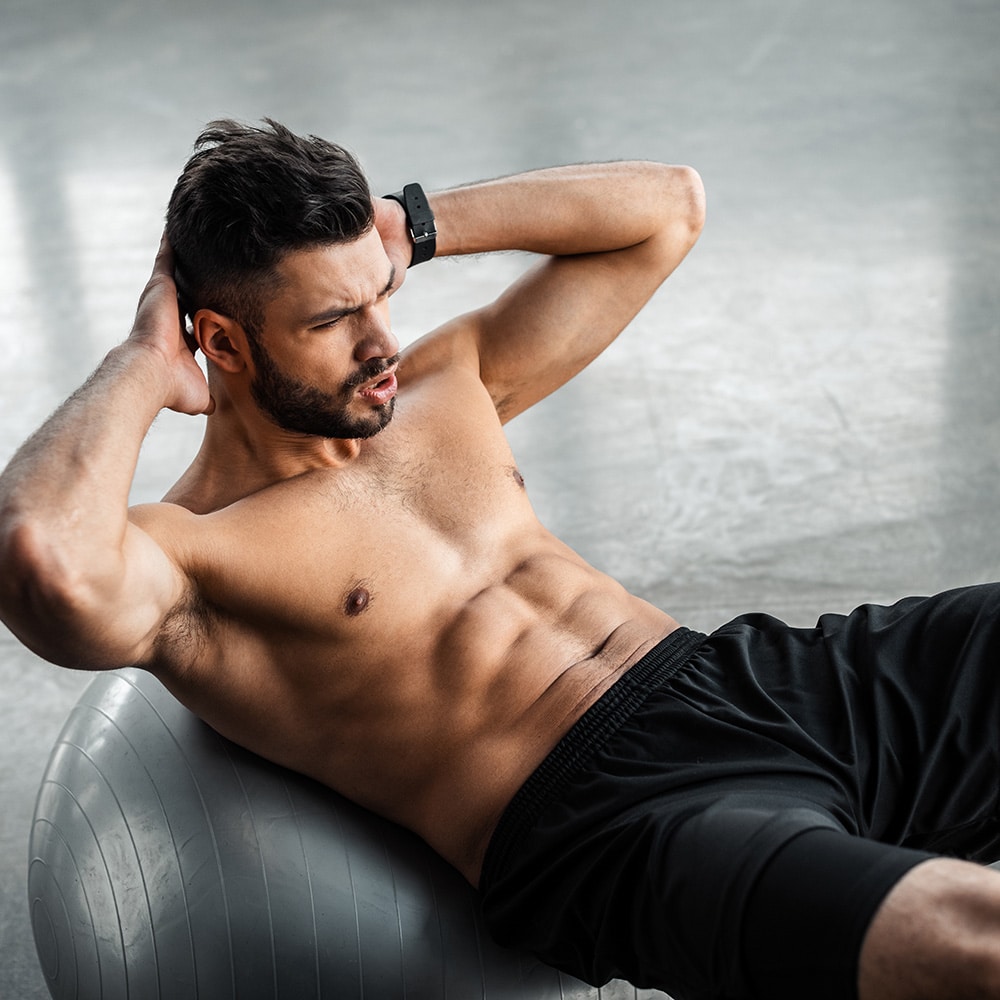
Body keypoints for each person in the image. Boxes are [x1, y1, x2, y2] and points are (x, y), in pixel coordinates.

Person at [0, 118, 998, 1000]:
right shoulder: (193, 553)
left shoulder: (445, 383)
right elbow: (38, 560)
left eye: (378, 295)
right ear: (221, 342)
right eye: (332, 319)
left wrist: (411, 225)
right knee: (967, 937)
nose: (380, 342)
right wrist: (143, 361)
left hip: (747, 679)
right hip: (617, 821)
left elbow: (667, 211)